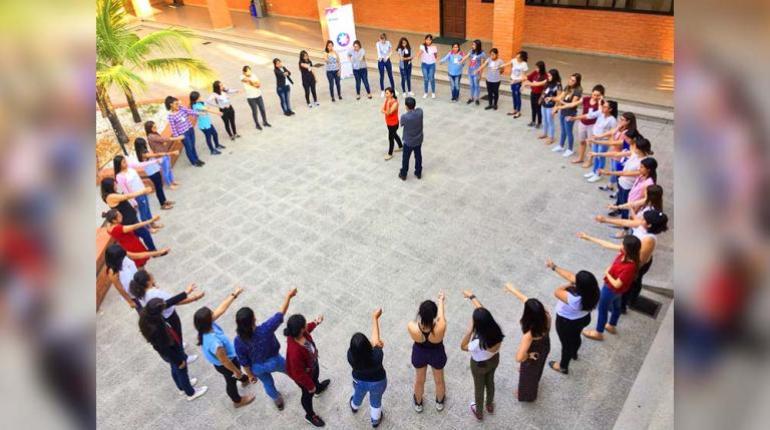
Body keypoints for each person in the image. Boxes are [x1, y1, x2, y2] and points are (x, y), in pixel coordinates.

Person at [234, 288, 298, 410]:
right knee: (290, 370)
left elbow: (244, 361)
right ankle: (301, 381)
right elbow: (280, 314)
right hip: (275, 360)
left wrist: (250, 375)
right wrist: (288, 296)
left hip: (257, 367)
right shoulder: (265, 329)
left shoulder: (238, 341)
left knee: (268, 384)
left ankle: (278, 401)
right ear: (254, 319)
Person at [194, 286, 257, 408]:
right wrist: (236, 371)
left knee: (233, 375)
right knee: (231, 381)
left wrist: (234, 294)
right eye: (211, 314)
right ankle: (237, 400)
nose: (214, 313)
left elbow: (221, 309)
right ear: (208, 320)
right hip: (226, 364)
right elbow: (225, 361)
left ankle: (244, 380)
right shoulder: (214, 343)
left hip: (226, 360)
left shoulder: (205, 326)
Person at [595, 209, 669, 312]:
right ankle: (621, 302)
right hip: (629, 257)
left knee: (630, 284)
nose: (641, 219)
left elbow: (640, 261)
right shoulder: (643, 224)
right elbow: (625, 222)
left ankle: (623, 305)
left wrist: (628, 270)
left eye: (644, 219)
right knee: (626, 283)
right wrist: (605, 220)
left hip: (636, 264)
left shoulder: (649, 240)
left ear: (649, 225)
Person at [138, 298, 208, 401]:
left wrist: (185, 294)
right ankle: (190, 392)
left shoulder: (148, 316)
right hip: (172, 352)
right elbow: (165, 349)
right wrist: (179, 360)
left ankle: (181, 387)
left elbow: (168, 302)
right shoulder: (157, 329)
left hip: (169, 351)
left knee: (174, 368)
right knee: (181, 370)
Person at [577, 234, 641, 341]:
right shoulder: (625, 254)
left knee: (602, 309)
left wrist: (607, 273)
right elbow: (606, 244)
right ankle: (611, 325)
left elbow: (617, 284)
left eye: (623, 244)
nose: (620, 245)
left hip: (610, 289)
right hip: (617, 292)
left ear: (627, 249)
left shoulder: (630, 267)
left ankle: (598, 332)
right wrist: (589, 237)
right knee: (616, 306)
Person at [542, 259, 600, 374]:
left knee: (566, 345)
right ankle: (574, 353)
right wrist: (554, 266)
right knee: (576, 337)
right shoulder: (594, 292)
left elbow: (557, 292)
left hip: (567, 323)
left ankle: (563, 366)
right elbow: (570, 275)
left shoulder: (575, 299)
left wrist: (569, 284)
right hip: (583, 319)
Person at [131, 269, 203, 350]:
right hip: (169, 316)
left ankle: (180, 346)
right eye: (149, 274)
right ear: (147, 282)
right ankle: (182, 352)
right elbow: (173, 301)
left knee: (173, 335)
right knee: (177, 333)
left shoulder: (141, 294)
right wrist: (192, 297)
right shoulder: (155, 293)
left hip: (162, 317)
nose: (151, 274)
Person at [460, 290, 504, 421]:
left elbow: (463, 347)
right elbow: (482, 311)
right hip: (494, 360)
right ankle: (489, 404)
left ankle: (479, 412)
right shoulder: (496, 330)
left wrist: (469, 331)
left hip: (479, 365)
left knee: (479, 388)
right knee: (490, 382)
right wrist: (472, 297)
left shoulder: (478, 343)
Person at [504, 284, 551, 402]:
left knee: (528, 376)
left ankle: (527, 395)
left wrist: (528, 356)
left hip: (534, 352)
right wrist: (513, 290)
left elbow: (519, 357)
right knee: (538, 368)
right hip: (545, 345)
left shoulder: (529, 334)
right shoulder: (546, 315)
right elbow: (528, 302)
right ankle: (533, 378)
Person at [284, 313, 331, 427]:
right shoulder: (294, 352)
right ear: (300, 330)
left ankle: (318, 389)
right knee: (307, 395)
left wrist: (316, 322)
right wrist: (310, 386)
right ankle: (310, 415)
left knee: (315, 378)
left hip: (312, 365)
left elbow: (308, 328)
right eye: (304, 324)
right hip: (304, 376)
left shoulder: (300, 333)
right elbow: (299, 374)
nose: (306, 325)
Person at [593, 136, 654, 217]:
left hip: (628, 185)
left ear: (640, 149)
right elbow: (616, 153)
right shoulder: (634, 154)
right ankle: (618, 209)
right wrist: (597, 154)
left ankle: (624, 221)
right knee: (620, 197)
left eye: (635, 147)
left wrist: (609, 172)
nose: (633, 147)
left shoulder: (644, 163)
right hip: (622, 180)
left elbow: (627, 173)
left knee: (625, 202)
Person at [407, 292, 447, 413]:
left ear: (420, 314)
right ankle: (439, 402)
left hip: (420, 353)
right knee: (439, 380)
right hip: (437, 353)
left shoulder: (412, 327)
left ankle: (418, 403)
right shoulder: (441, 327)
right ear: (434, 316)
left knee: (419, 380)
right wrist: (441, 300)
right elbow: (441, 315)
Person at [348, 308, 387, 428]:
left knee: (358, 394)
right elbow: (375, 340)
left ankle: (354, 406)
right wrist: (375, 318)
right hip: (378, 382)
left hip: (359, 381)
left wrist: (376, 344)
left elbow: (374, 342)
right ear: (367, 344)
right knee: (376, 401)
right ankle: (375, 420)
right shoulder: (377, 355)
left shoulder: (350, 356)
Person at [568, 99, 618, 183]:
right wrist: (575, 118)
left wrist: (610, 144)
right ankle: (594, 171)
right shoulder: (600, 113)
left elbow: (612, 133)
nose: (603, 107)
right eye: (603, 105)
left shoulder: (612, 120)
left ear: (610, 109)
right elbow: (589, 115)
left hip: (603, 141)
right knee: (595, 156)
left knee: (600, 157)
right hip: (594, 139)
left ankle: (598, 174)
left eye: (605, 107)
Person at [100, 177, 157, 251]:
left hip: (130, 218)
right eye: (114, 184)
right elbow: (127, 196)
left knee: (137, 236)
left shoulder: (112, 194)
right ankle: (153, 251)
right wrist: (143, 191)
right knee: (145, 234)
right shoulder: (110, 197)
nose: (116, 185)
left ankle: (144, 251)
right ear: (109, 187)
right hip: (128, 220)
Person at [102, 209, 168, 268]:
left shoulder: (109, 227)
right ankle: (141, 278)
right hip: (133, 246)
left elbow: (109, 221)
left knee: (138, 263)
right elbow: (136, 226)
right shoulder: (119, 229)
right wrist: (151, 220)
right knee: (140, 262)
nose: (121, 215)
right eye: (119, 216)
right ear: (114, 220)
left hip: (125, 245)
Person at [113, 154, 163, 224]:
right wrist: (133, 201)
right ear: (119, 165)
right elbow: (125, 190)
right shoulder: (120, 176)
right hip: (136, 195)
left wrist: (155, 161)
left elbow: (142, 164)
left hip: (143, 191)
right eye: (123, 162)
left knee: (147, 208)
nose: (126, 163)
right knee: (143, 212)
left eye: (125, 161)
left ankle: (152, 224)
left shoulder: (130, 166)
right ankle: (147, 227)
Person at [133, 137, 174, 211]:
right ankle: (162, 204)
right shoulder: (144, 154)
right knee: (158, 188)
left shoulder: (141, 153)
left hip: (154, 171)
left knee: (160, 187)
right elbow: (154, 155)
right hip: (153, 172)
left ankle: (164, 201)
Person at [164, 95, 203, 167]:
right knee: (189, 147)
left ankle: (197, 159)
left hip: (190, 129)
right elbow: (173, 128)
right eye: (176, 104)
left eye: (178, 103)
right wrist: (177, 138)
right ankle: (193, 162)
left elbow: (189, 111)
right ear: (171, 105)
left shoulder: (181, 108)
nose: (178, 105)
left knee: (193, 145)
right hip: (183, 134)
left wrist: (198, 113)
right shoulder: (171, 116)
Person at [571, 84, 605, 166]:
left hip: (592, 126)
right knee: (582, 141)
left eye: (598, 95)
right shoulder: (586, 99)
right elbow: (574, 103)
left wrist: (600, 102)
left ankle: (590, 161)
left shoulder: (602, 104)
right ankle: (581, 157)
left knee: (591, 144)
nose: (595, 97)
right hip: (582, 123)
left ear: (602, 95)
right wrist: (562, 104)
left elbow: (600, 113)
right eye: (594, 94)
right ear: (591, 93)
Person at [104, 244, 145, 309]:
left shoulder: (124, 256)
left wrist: (157, 253)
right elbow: (120, 288)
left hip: (142, 286)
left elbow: (138, 257)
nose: (124, 256)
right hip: (133, 294)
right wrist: (130, 301)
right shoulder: (112, 272)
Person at [552, 73, 583, 157]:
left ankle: (570, 149)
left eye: (573, 80)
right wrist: (552, 98)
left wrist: (560, 103)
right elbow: (560, 97)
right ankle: (561, 145)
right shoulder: (567, 87)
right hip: (563, 111)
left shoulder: (578, 90)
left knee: (569, 132)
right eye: (570, 79)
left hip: (570, 113)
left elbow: (572, 104)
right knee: (563, 130)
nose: (570, 81)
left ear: (577, 82)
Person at [144, 120, 182, 189]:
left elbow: (161, 141)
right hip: (161, 156)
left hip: (165, 153)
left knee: (169, 168)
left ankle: (172, 181)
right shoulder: (151, 136)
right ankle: (169, 184)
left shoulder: (155, 134)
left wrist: (163, 144)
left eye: (155, 126)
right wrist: (176, 138)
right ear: (149, 129)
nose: (155, 128)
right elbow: (163, 139)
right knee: (166, 171)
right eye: (154, 127)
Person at [190, 91, 225, 155]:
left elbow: (207, 107)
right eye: (199, 96)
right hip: (204, 125)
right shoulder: (196, 106)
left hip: (208, 122)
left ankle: (217, 145)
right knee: (208, 137)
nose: (200, 97)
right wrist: (217, 113)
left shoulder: (200, 103)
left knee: (215, 134)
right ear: (196, 98)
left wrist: (205, 106)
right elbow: (208, 109)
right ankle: (212, 150)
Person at [398, 97, 424, 181]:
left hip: (408, 141)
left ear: (406, 106)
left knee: (405, 158)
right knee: (418, 156)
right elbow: (418, 109)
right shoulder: (420, 112)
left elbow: (401, 124)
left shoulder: (405, 117)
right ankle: (418, 172)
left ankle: (403, 174)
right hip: (418, 139)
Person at [241, 65, 272, 130]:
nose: (249, 72)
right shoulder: (241, 76)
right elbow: (250, 82)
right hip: (251, 98)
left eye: (250, 70)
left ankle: (265, 122)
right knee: (255, 111)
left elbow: (258, 85)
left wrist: (251, 82)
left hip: (258, 95)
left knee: (262, 109)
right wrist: (253, 83)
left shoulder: (254, 75)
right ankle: (257, 124)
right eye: (248, 71)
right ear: (244, 72)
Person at [537, 69, 562, 144]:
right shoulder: (547, 82)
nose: (548, 77)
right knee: (544, 120)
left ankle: (551, 137)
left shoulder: (558, 85)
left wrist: (556, 108)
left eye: (550, 76)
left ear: (554, 76)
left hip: (551, 106)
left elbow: (559, 97)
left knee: (550, 122)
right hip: (544, 104)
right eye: (548, 75)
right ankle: (545, 133)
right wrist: (540, 98)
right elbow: (544, 91)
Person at [381, 87, 403, 160]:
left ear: (392, 94)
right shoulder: (387, 100)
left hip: (393, 123)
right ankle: (401, 146)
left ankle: (390, 154)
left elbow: (388, 112)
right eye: (385, 93)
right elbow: (383, 110)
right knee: (394, 134)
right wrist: (387, 104)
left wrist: (388, 104)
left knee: (391, 138)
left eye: (387, 93)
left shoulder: (395, 102)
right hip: (388, 122)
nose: (385, 95)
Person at [462, 40, 486, 105]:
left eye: (474, 45)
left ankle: (477, 98)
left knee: (476, 85)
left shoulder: (482, 54)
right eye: (472, 44)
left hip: (476, 72)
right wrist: (461, 61)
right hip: (470, 71)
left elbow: (482, 65)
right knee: (471, 85)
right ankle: (471, 98)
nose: (472, 46)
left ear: (478, 46)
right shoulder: (471, 51)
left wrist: (480, 74)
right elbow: (466, 56)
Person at [523, 60, 547, 127]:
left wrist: (541, 97)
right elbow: (528, 78)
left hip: (539, 94)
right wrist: (524, 77)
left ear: (541, 68)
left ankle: (539, 122)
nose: (536, 69)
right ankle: (533, 121)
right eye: (536, 67)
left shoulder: (545, 76)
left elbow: (544, 88)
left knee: (538, 108)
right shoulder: (535, 72)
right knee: (533, 107)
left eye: (537, 68)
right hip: (533, 93)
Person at [507, 51, 529, 118]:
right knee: (513, 96)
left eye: (518, 57)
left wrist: (522, 85)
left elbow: (524, 77)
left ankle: (518, 112)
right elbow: (508, 64)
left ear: (522, 58)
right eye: (516, 56)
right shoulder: (514, 60)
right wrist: (500, 66)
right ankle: (514, 110)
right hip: (512, 80)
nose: (517, 58)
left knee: (517, 97)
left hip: (518, 82)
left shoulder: (524, 64)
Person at [418, 34, 438, 99]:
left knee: (431, 79)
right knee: (426, 79)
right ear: (425, 40)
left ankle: (433, 92)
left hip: (432, 65)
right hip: (424, 65)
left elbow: (435, 55)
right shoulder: (422, 46)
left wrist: (433, 59)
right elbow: (420, 52)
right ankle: (426, 92)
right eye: (427, 40)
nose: (428, 41)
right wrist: (418, 54)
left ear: (431, 40)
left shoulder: (434, 47)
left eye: (429, 40)